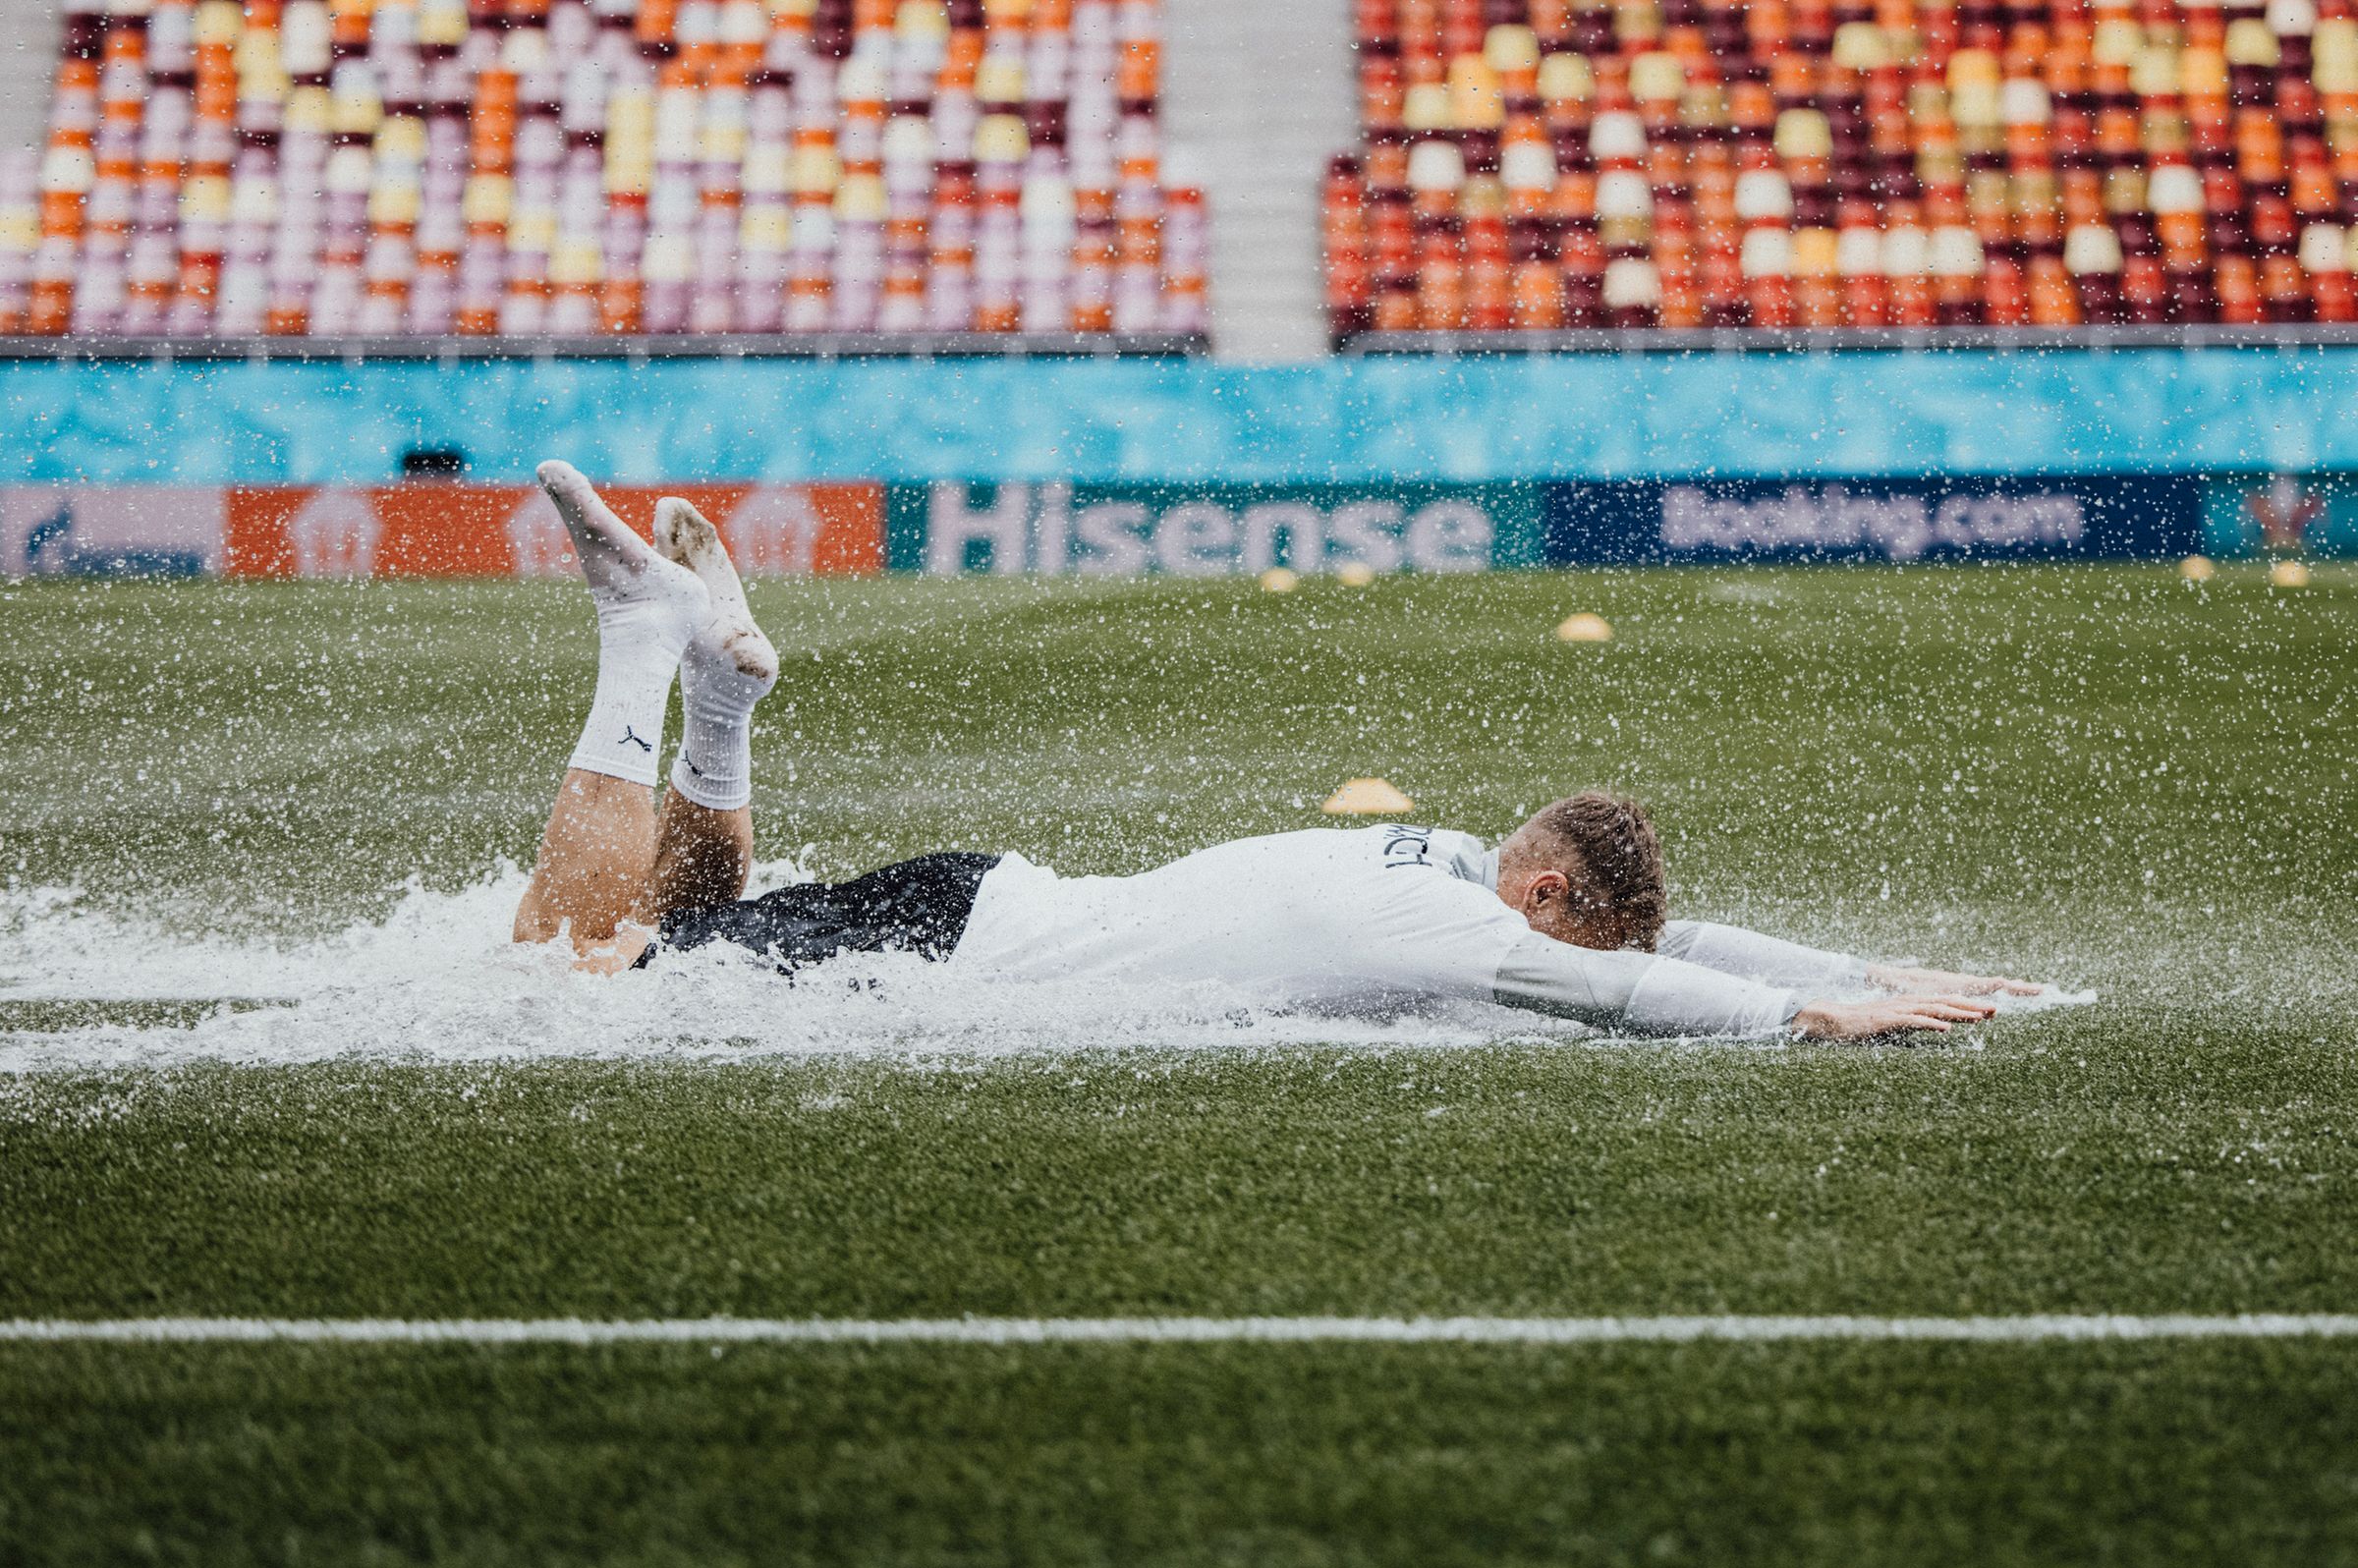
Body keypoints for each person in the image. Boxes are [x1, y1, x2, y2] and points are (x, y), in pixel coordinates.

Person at [516, 462, 2042, 1042]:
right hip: (959, 953)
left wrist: (1860, 968)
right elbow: (1629, 987)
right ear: (1543, 895)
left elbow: (1669, 938)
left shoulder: (1450, 851)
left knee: (690, 938)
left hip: (976, 902)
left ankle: (722, 701)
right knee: (572, 965)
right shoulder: (1442, 916)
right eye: (1578, 923)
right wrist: (1800, 1025)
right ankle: (645, 642)